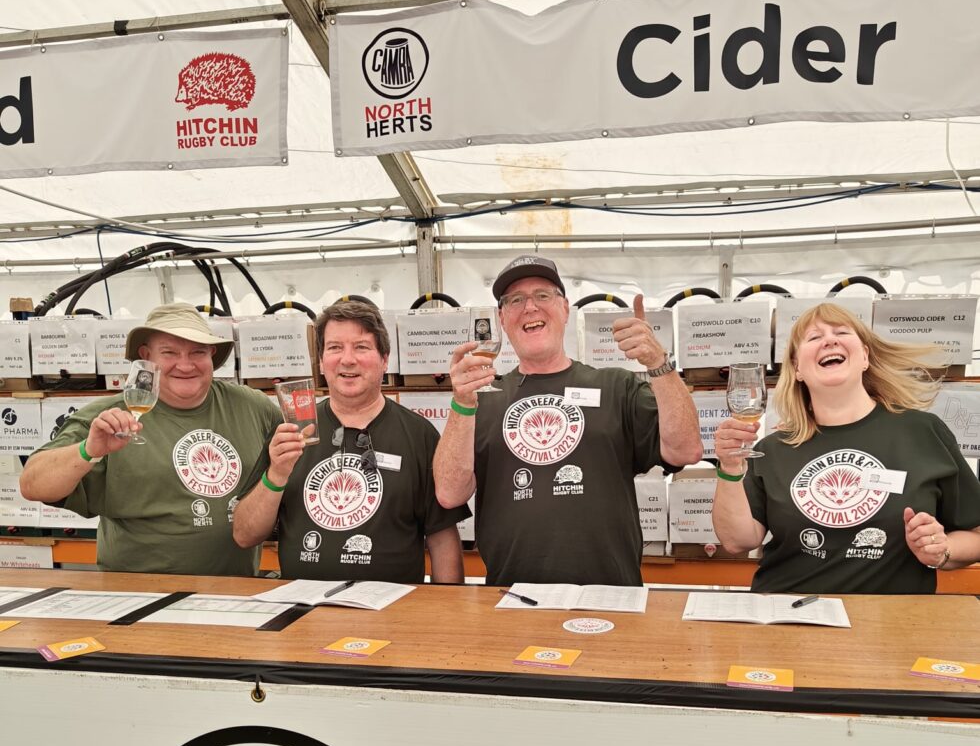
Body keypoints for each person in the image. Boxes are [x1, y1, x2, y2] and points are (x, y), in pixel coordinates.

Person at [433, 254, 703, 585]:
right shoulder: (481, 399)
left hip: (610, 594)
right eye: (516, 300)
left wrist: (658, 363)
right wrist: (461, 404)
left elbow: (686, 450)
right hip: (510, 596)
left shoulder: (616, 386)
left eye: (543, 295)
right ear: (502, 319)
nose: (530, 307)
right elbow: (449, 493)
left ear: (565, 309)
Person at [712, 302, 980, 593]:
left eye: (841, 331)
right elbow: (738, 541)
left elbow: (975, 536)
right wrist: (728, 469)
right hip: (787, 619)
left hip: (889, 626)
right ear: (797, 369)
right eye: (814, 338)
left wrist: (943, 549)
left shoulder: (923, 432)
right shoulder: (774, 448)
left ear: (865, 356)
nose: (829, 340)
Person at [20, 303, 280, 575]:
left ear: (212, 355)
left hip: (235, 591)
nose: (185, 364)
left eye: (197, 352)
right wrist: (89, 450)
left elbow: (299, 461)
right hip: (137, 593)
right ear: (146, 357)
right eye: (169, 352)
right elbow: (32, 484)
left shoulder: (254, 408)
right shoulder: (109, 418)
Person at [233, 300, 468, 583]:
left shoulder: (419, 434)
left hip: (393, 616)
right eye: (334, 348)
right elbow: (245, 535)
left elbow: (442, 537)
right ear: (320, 361)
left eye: (361, 347)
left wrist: (447, 609)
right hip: (305, 614)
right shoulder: (291, 432)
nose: (347, 359)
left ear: (384, 359)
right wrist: (277, 474)